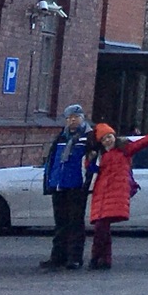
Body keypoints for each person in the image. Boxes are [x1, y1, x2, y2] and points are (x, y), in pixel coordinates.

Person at [84, 123, 148, 270]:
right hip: (101, 193)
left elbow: (142, 143)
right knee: (103, 228)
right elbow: (91, 169)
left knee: (101, 228)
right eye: (104, 139)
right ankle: (105, 260)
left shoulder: (124, 150)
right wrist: (89, 160)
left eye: (109, 137)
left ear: (114, 137)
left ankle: (96, 258)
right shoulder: (100, 155)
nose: (108, 141)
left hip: (114, 194)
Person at [41, 105, 92, 270]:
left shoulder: (88, 137)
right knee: (60, 222)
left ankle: (75, 258)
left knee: (75, 223)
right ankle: (57, 256)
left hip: (77, 186)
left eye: (75, 117)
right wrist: (50, 181)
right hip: (59, 184)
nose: (72, 121)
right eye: (69, 118)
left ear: (82, 118)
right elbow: (52, 160)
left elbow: (93, 161)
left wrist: (86, 182)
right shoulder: (61, 137)